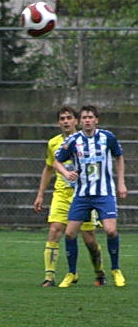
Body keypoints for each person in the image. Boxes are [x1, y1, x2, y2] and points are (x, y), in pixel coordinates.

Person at [55, 105, 127, 287]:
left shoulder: (107, 137)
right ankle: (71, 273)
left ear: (96, 120)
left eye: (90, 117)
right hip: (82, 194)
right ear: (79, 121)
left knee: (111, 230)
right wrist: (65, 172)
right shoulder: (73, 140)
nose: (87, 120)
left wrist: (121, 183)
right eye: (84, 117)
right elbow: (57, 161)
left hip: (104, 193)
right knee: (70, 234)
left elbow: (119, 157)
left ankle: (115, 270)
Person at [33, 106, 105, 287]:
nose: (66, 121)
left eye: (69, 118)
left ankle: (99, 271)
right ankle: (49, 277)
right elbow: (49, 168)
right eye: (62, 118)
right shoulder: (53, 143)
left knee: (89, 238)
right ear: (59, 122)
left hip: (84, 195)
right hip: (62, 194)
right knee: (54, 230)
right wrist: (40, 194)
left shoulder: (87, 141)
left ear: (76, 121)